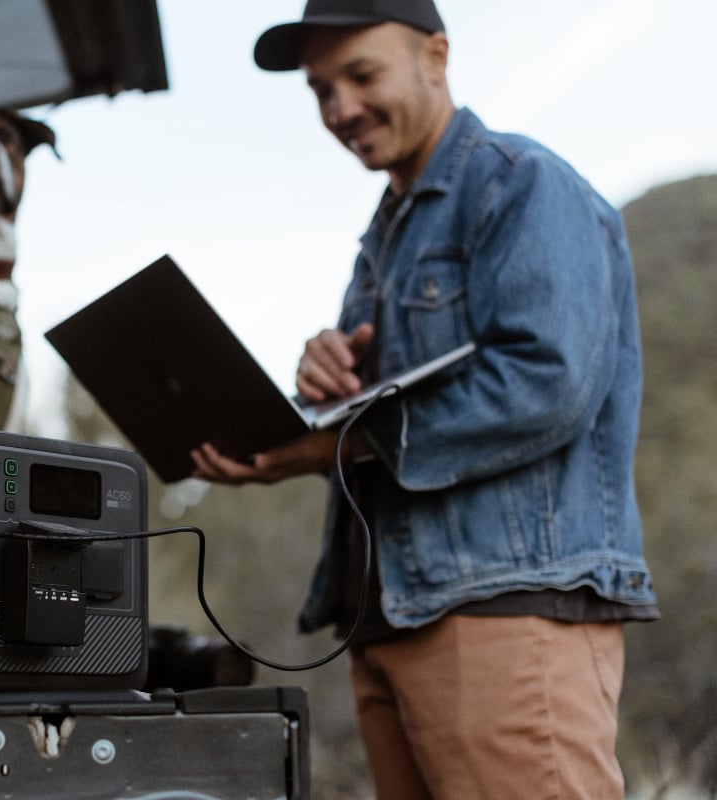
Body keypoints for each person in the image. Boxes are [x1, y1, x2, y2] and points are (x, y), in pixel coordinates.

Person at [190, 1, 659, 797]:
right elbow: (378, 415)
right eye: (320, 89)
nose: (340, 109)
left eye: (361, 75)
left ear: (435, 57)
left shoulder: (522, 185)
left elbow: (546, 384)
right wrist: (323, 385)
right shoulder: (384, 237)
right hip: (388, 620)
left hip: (502, 617)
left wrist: (341, 442)